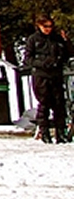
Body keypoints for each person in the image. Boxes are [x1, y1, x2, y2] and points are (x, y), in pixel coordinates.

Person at [21, 14, 72, 143]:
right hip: (41, 76)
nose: (48, 29)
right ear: (39, 26)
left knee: (59, 105)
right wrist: (43, 63)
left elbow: (68, 54)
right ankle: (44, 132)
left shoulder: (57, 39)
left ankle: (61, 132)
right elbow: (28, 59)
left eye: (50, 26)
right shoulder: (33, 40)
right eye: (45, 26)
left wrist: (66, 42)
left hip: (56, 75)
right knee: (44, 105)